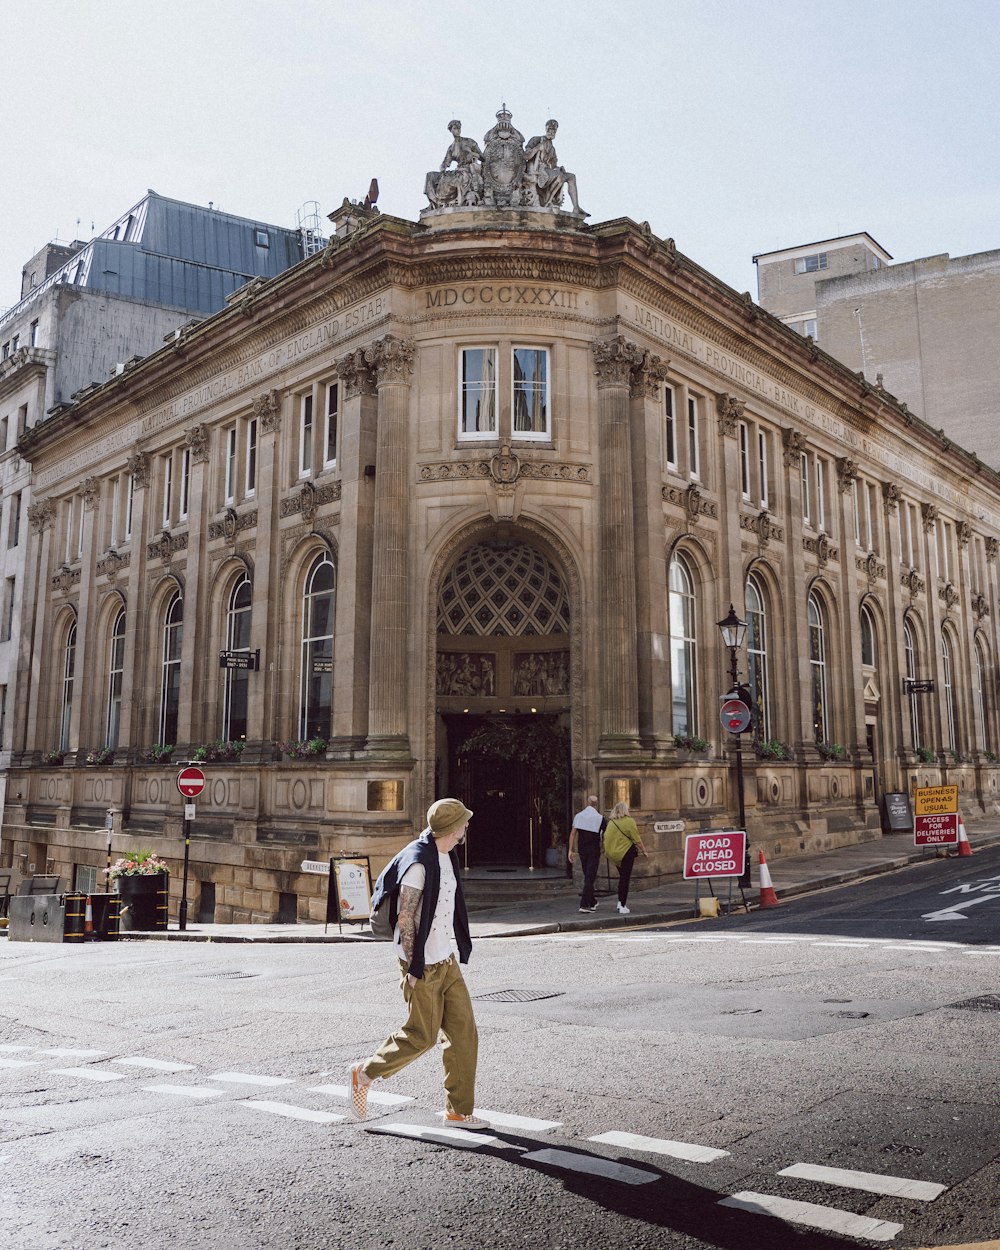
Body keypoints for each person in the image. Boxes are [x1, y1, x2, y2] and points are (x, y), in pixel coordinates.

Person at [350, 798, 488, 1130]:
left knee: (464, 1033)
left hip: (446, 960)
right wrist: (413, 967)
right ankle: (365, 1072)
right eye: (464, 822)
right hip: (422, 965)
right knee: (421, 1036)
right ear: (453, 828)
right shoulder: (418, 863)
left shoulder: (447, 854)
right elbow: (406, 917)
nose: (467, 826)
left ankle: (458, 1110)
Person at [522, 120, 585, 215]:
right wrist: (537, 148)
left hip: (547, 172)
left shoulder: (552, 149)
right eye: (550, 129)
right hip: (536, 171)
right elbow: (526, 156)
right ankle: (548, 201)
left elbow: (554, 165)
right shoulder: (536, 140)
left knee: (571, 177)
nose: (551, 132)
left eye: (553, 131)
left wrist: (559, 168)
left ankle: (576, 207)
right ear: (546, 128)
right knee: (560, 176)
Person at [603, 800, 647, 915]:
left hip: (613, 855)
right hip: (626, 854)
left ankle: (620, 902)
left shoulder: (611, 822)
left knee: (622, 877)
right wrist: (644, 851)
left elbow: (606, 839)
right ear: (625, 810)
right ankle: (622, 905)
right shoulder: (629, 821)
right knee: (625, 879)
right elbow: (637, 839)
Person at [567, 794, 605, 913]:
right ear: (596, 804)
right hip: (594, 850)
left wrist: (570, 850)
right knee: (590, 877)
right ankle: (584, 905)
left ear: (587, 802)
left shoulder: (579, 816)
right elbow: (604, 836)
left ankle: (592, 901)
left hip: (582, 850)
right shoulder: (600, 818)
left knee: (587, 876)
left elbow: (573, 833)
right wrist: (603, 847)